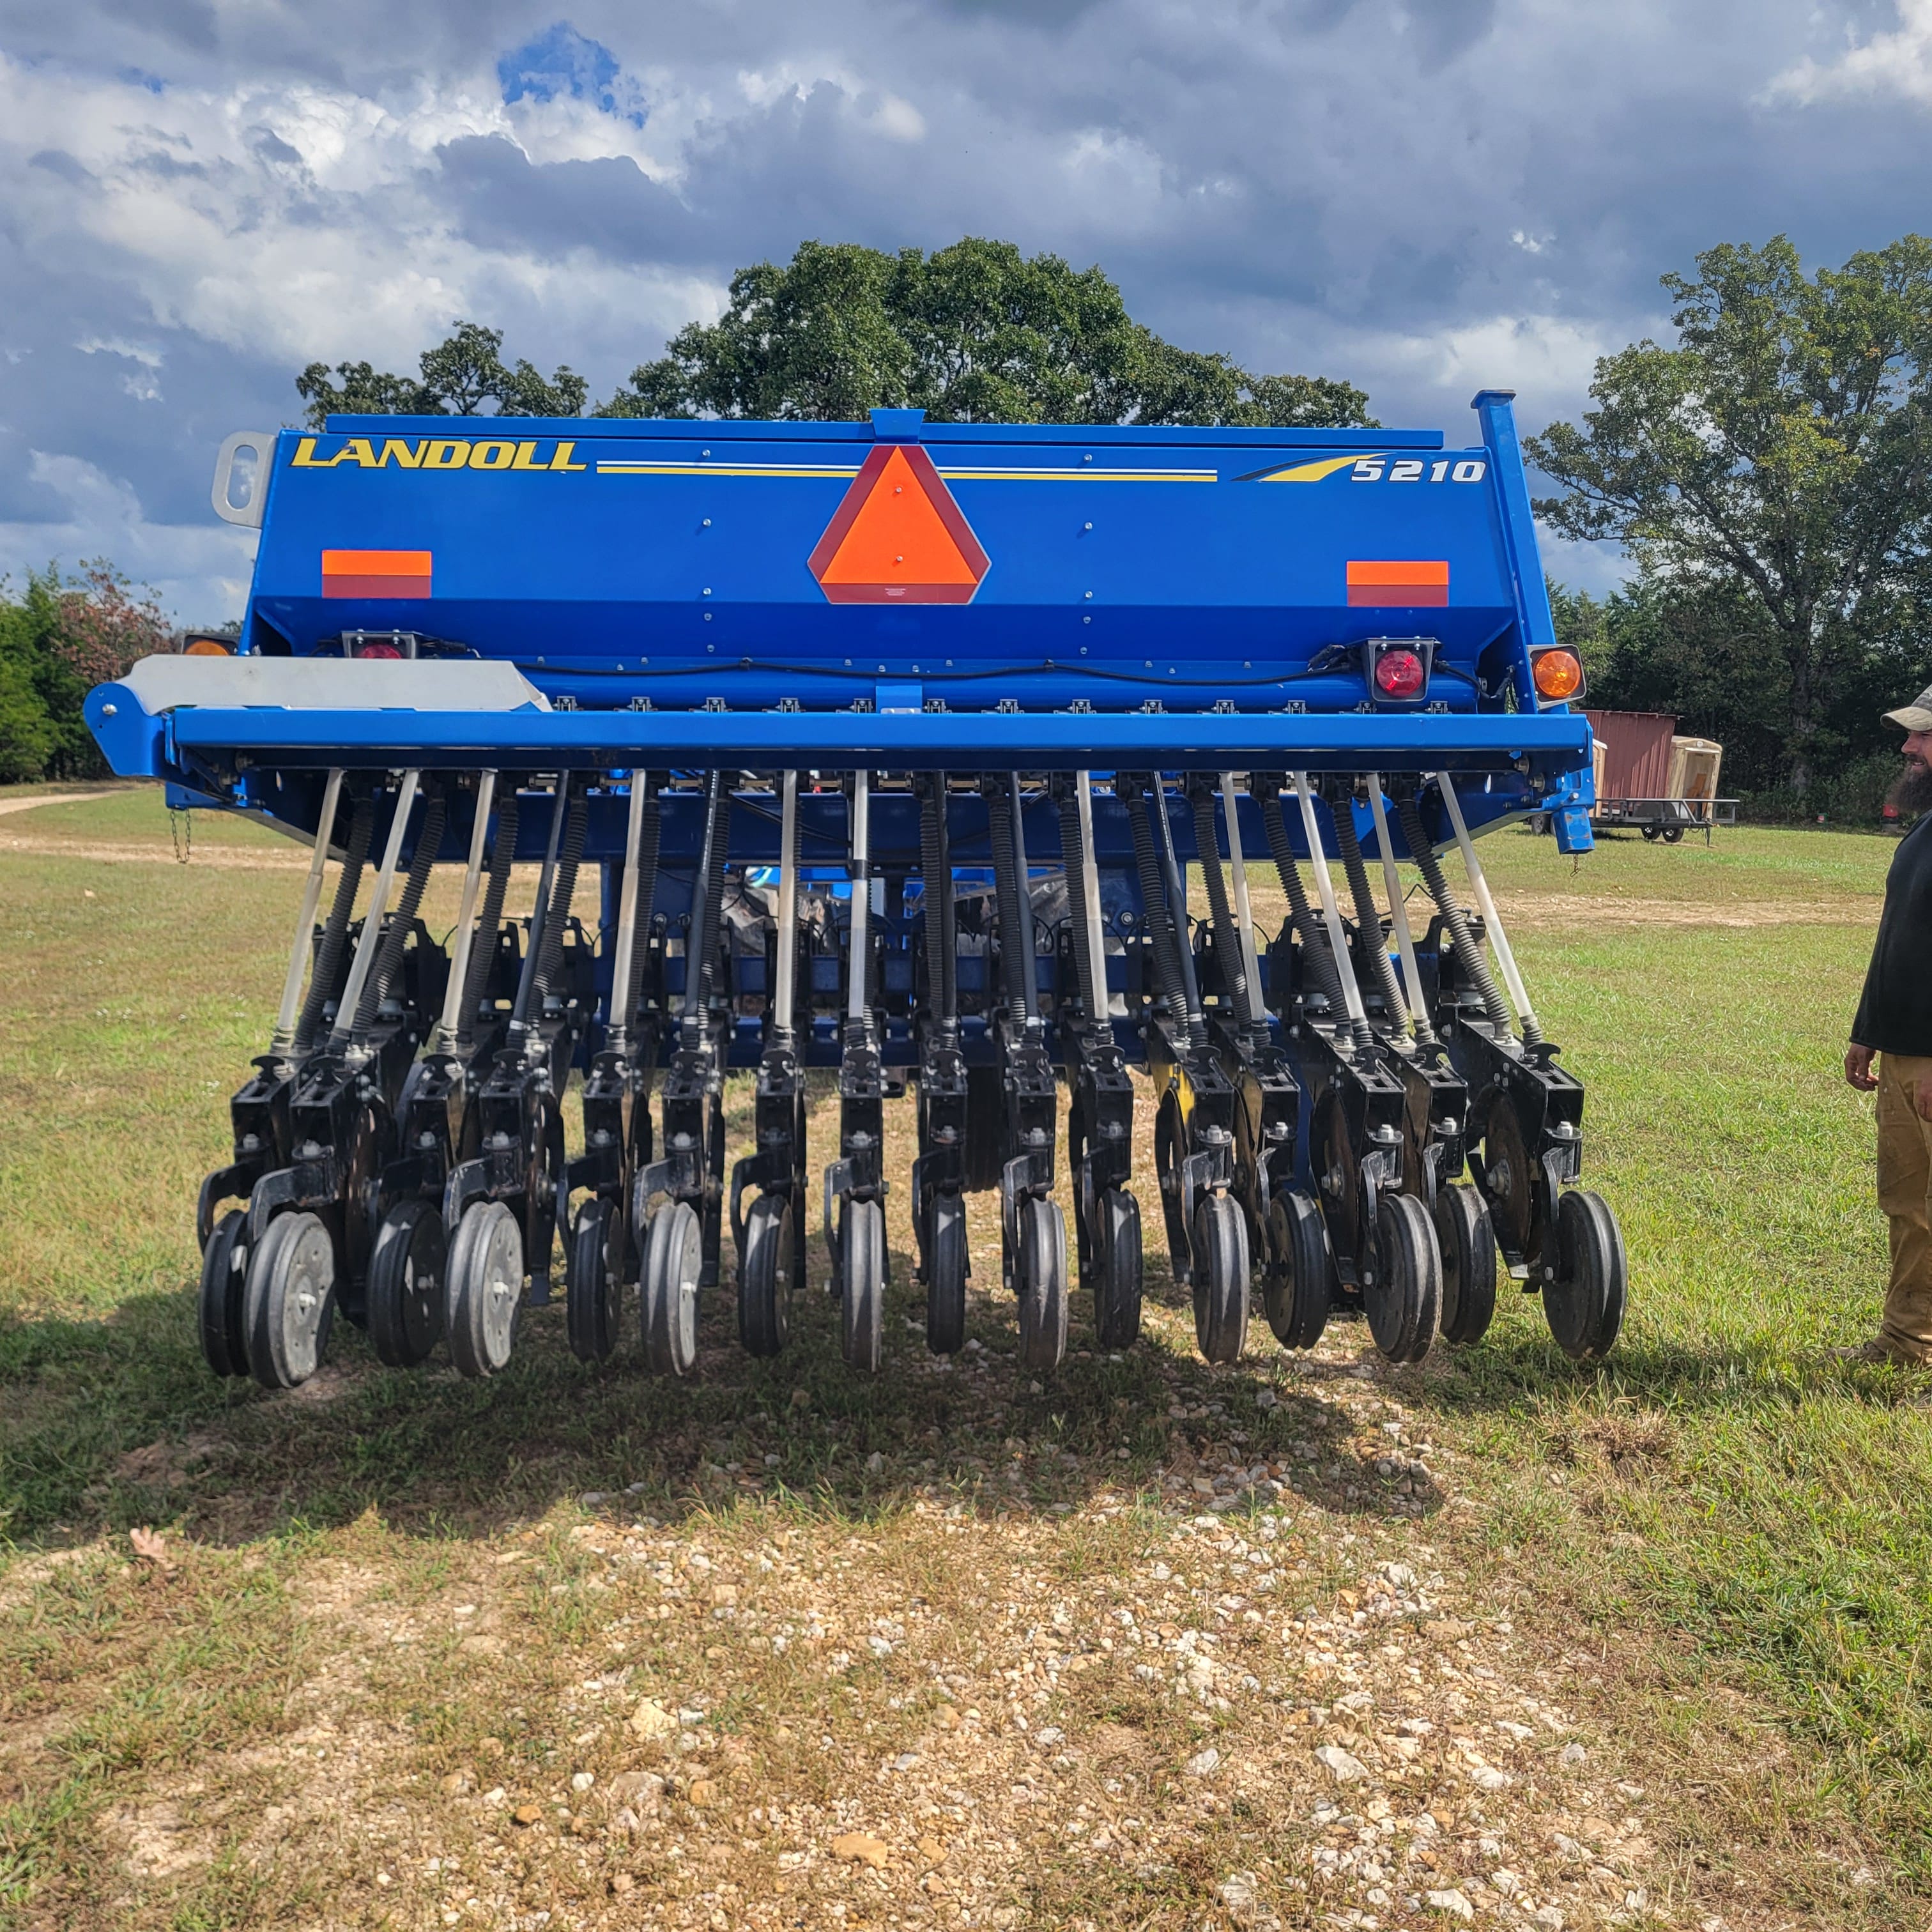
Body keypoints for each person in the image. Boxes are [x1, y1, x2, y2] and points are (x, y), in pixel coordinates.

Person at [1844, 684, 1932, 1364]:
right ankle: (1909, 1342)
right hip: (1904, 1052)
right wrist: (1868, 1028)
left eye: (1923, 736)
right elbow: (1898, 936)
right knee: (1909, 1205)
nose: (1909, 747)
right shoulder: (1923, 831)